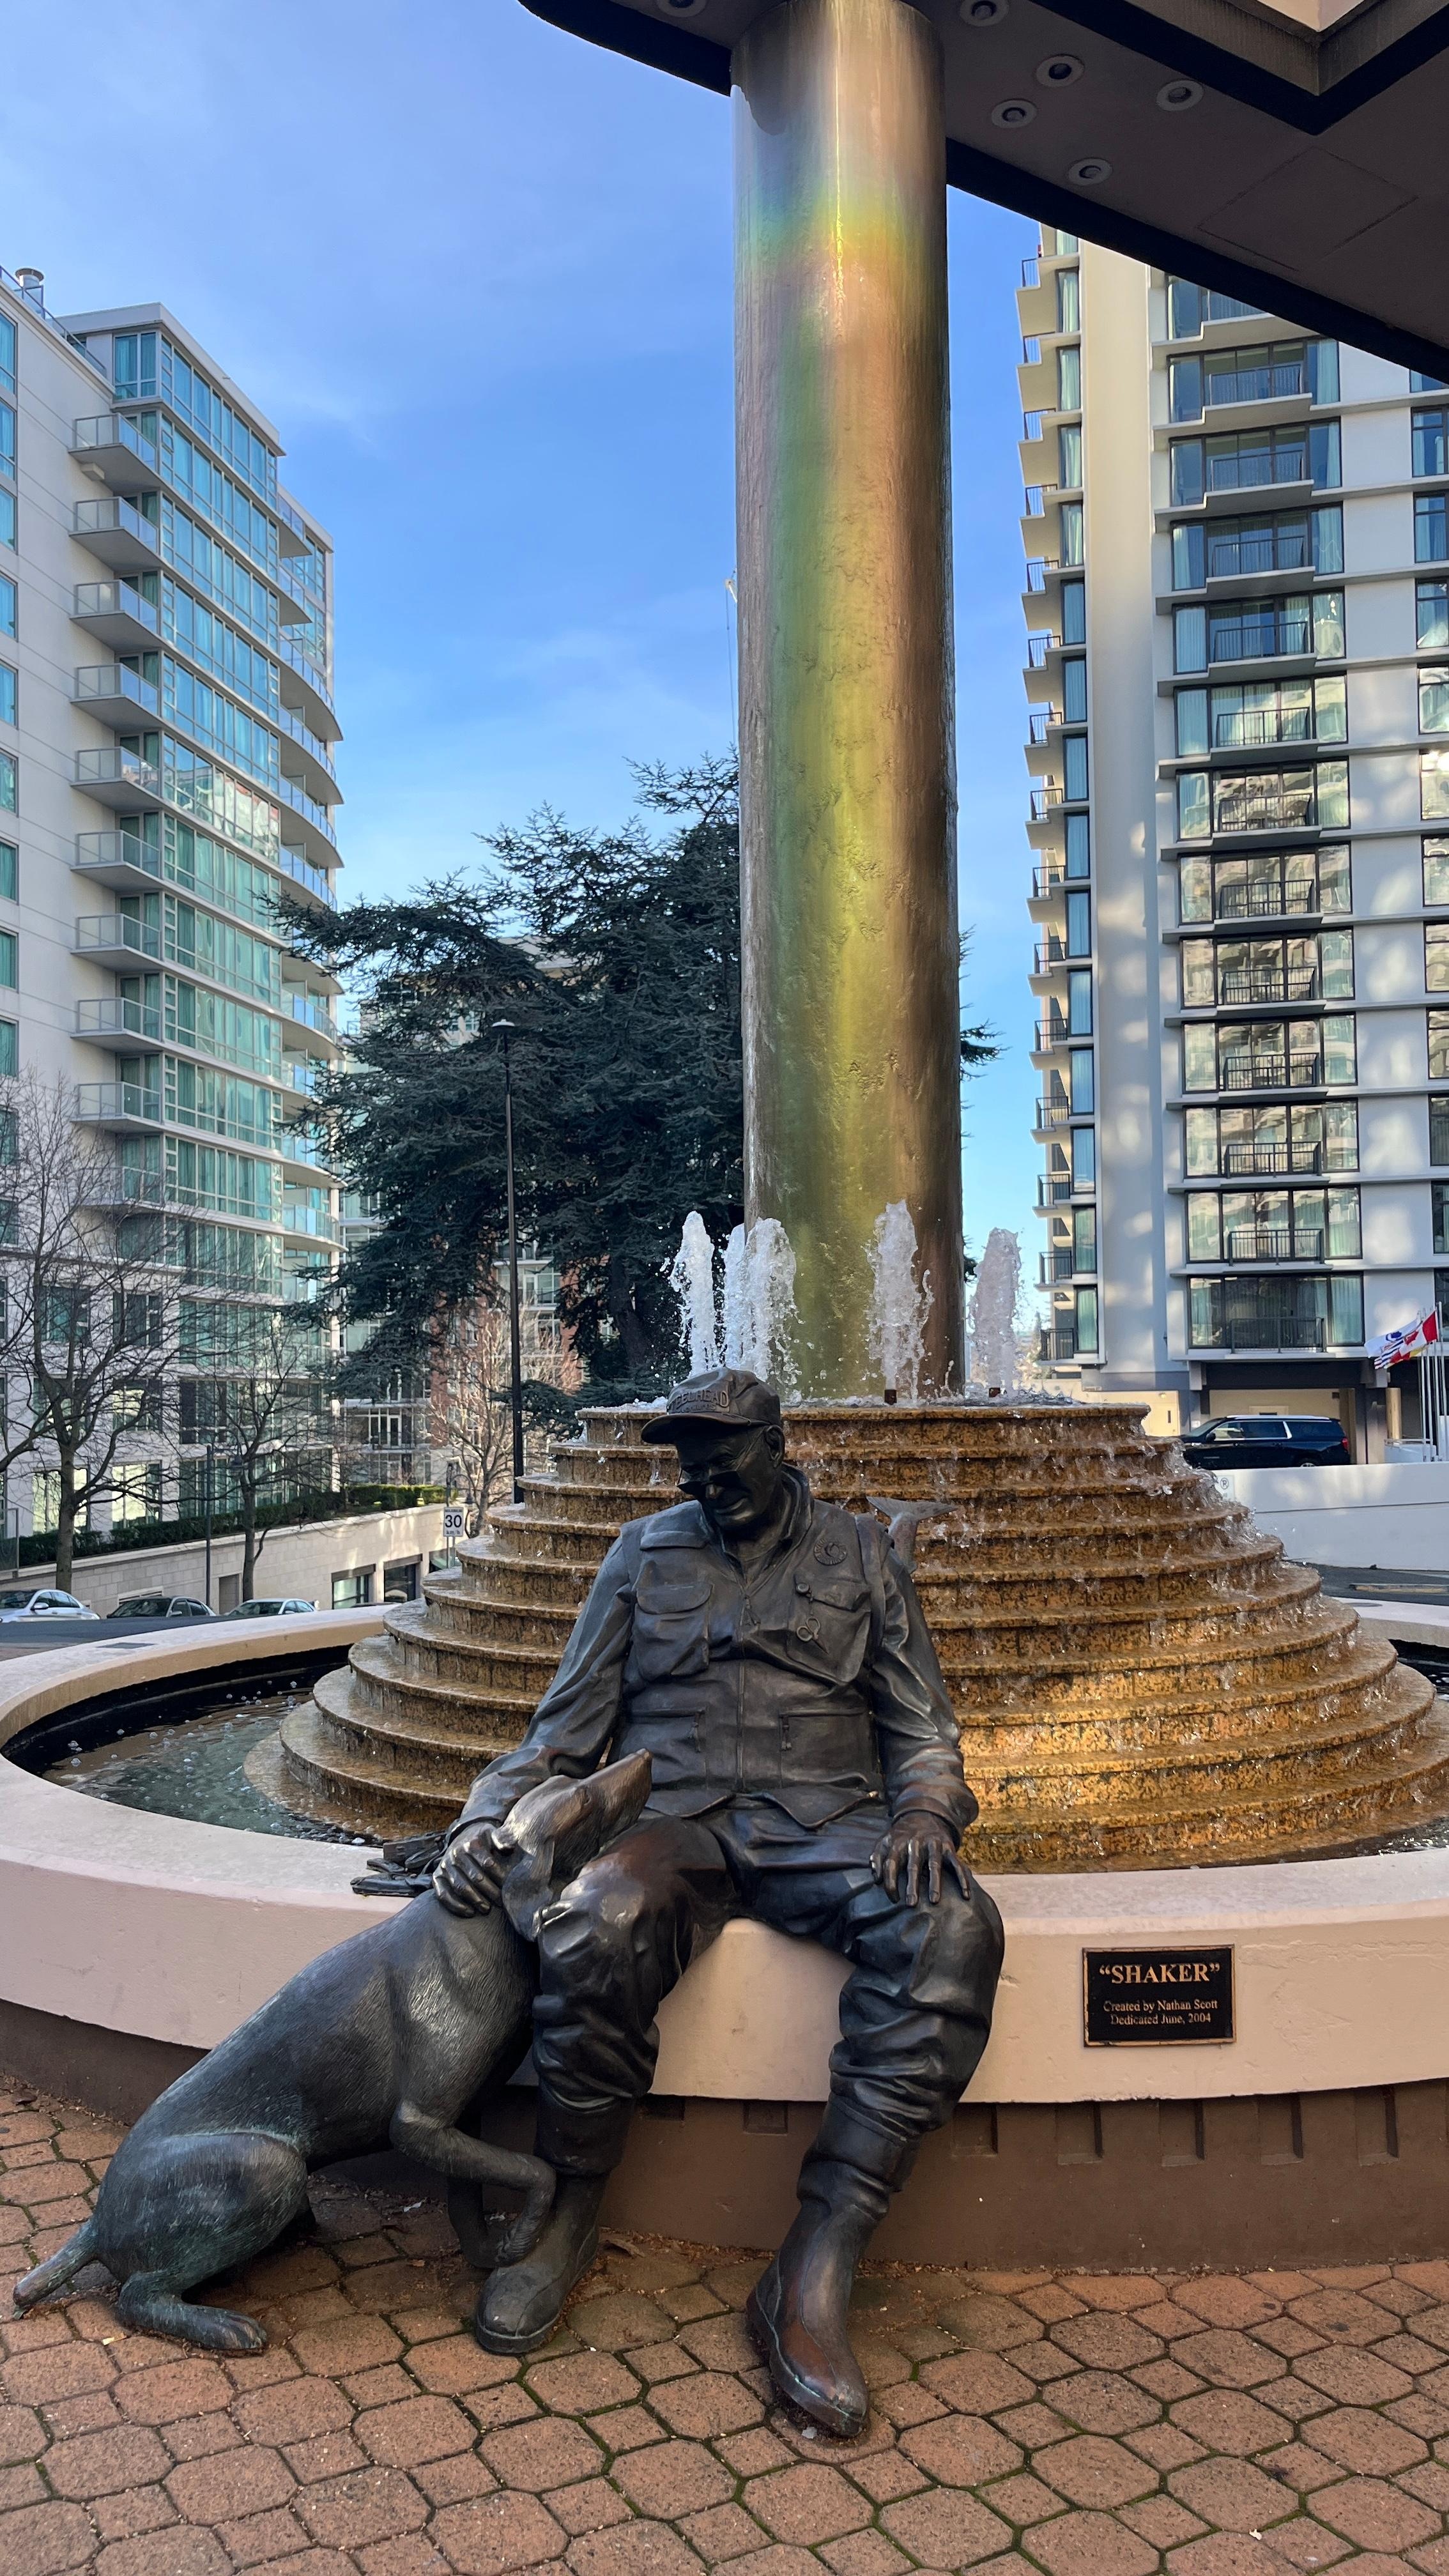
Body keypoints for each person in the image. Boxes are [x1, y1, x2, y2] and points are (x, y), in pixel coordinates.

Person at [434, 1365, 1002, 2436]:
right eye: (690, 1464)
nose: (705, 1480)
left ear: (779, 1445)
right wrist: (484, 1820)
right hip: (675, 1819)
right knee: (596, 1918)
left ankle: (814, 2267)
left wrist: (928, 1814)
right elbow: (562, 1734)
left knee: (953, 1926)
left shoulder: (864, 1554)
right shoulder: (640, 1556)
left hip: (825, 1822)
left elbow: (921, 1730)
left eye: (724, 1459)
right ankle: (570, 2210)